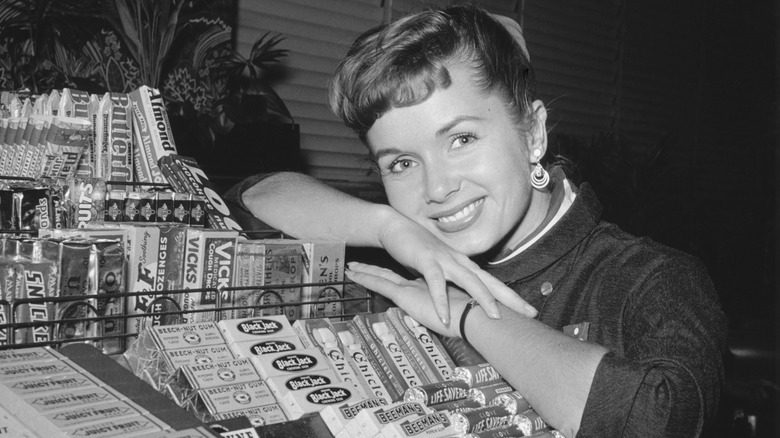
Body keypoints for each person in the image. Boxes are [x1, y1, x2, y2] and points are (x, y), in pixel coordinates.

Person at [229, 5, 728, 437]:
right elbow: (250, 195)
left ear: (532, 133)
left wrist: (467, 315)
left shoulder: (651, 280)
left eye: (461, 139)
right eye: (401, 163)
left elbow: (659, 419)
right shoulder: (408, 255)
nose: (436, 188)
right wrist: (388, 228)